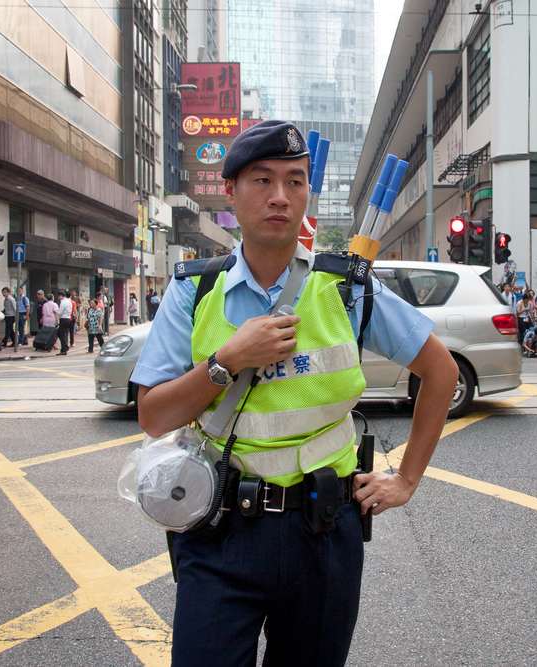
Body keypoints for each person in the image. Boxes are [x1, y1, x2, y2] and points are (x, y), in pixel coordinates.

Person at [130, 120, 456, 667]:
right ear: (230, 193)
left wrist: (407, 478)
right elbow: (152, 417)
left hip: (323, 531)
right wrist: (227, 361)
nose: (280, 196)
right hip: (218, 530)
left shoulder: (347, 289)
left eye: (295, 180)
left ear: (309, 192)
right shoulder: (195, 290)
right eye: (262, 180)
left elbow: (441, 372)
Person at [56, 290, 73, 355]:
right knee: (65, 334)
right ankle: (64, 347)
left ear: (60, 296)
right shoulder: (69, 302)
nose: (58, 298)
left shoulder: (63, 303)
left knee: (60, 334)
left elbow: (60, 313)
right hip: (68, 319)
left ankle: (65, 347)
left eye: (58, 297)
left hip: (63, 319)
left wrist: (55, 311)